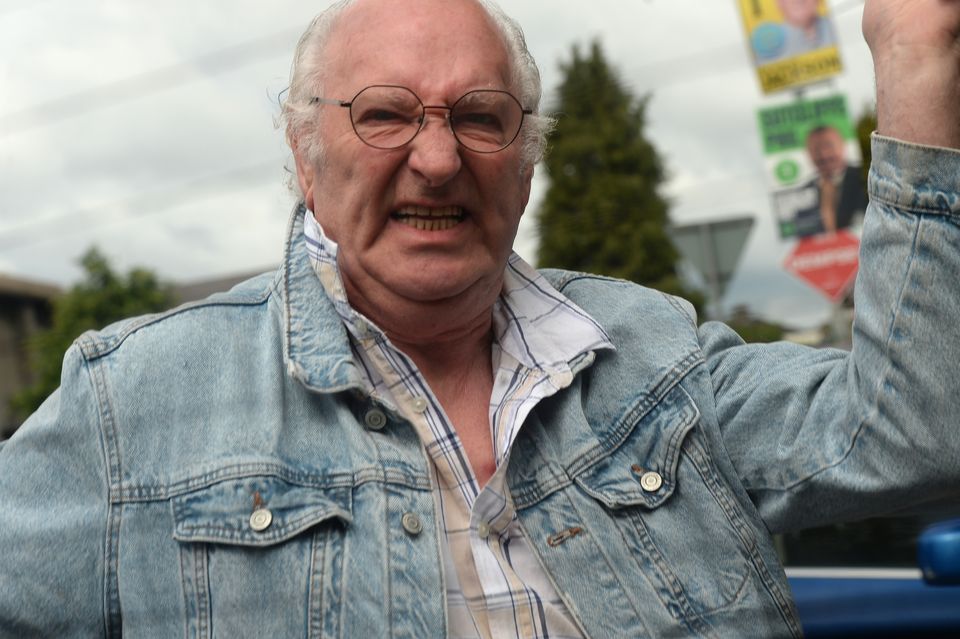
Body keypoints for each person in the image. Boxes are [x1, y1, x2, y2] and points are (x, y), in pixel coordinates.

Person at [1, 0, 958, 636]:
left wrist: (916, 61)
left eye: (481, 116)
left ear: (527, 159)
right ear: (304, 157)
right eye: (384, 114)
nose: (436, 159)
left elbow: (918, 433)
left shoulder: (659, 354)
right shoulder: (130, 402)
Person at [793, 124, 868, 237]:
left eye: (829, 146)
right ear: (808, 153)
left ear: (842, 146)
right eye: (816, 149)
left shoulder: (865, 178)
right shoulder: (801, 193)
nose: (824, 155)